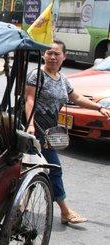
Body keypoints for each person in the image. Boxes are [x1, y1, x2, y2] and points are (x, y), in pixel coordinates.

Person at [25, 39, 110, 225]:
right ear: (44, 55)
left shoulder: (62, 79)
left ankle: (21, 206)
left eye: (57, 54)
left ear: (64, 57)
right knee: (53, 169)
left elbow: (76, 98)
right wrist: (30, 124)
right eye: (49, 53)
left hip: (49, 131)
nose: (52, 57)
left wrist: (97, 108)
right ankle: (65, 211)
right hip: (36, 132)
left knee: (32, 168)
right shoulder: (37, 75)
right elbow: (29, 100)